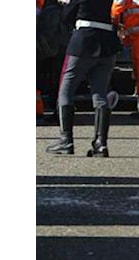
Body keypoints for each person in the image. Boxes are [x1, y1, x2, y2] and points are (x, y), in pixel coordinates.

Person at [45, 0, 121, 157]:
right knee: (100, 93)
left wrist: (66, 5)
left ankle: (66, 140)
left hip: (84, 40)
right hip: (108, 41)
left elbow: (66, 17)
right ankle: (101, 144)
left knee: (66, 89)